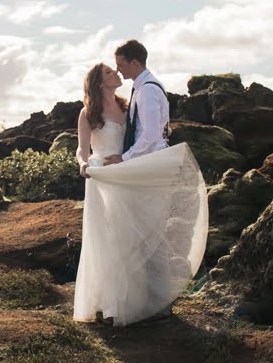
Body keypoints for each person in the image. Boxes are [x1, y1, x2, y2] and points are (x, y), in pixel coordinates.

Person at [73, 41, 208, 327]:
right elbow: (81, 149)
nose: (117, 71)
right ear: (98, 82)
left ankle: (134, 302)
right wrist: (84, 164)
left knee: (132, 237)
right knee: (108, 238)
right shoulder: (89, 112)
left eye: (118, 66)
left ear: (132, 62)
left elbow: (148, 137)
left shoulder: (130, 103)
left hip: (127, 175)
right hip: (103, 177)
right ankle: (108, 301)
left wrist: (124, 160)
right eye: (110, 71)